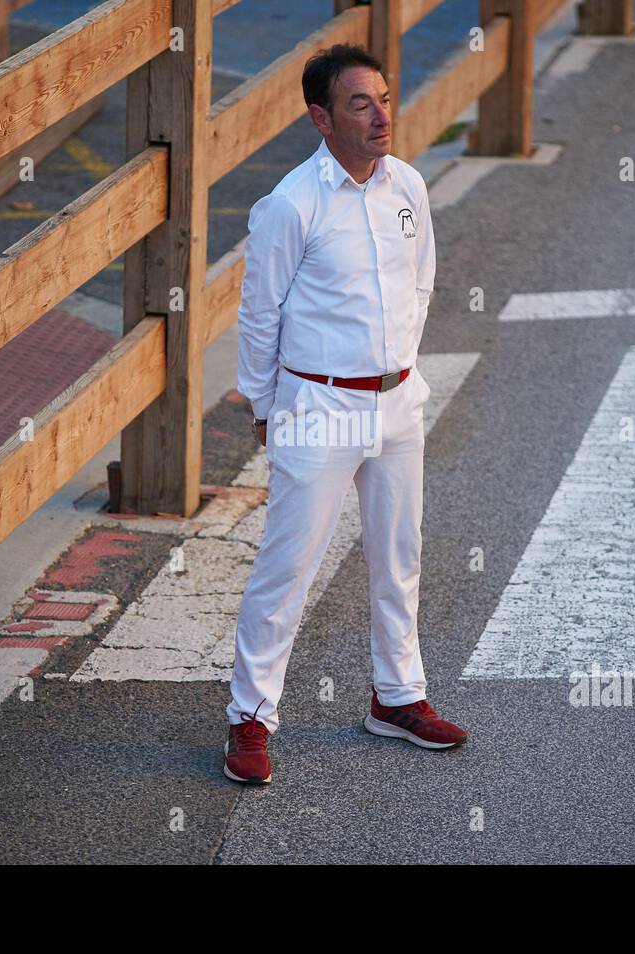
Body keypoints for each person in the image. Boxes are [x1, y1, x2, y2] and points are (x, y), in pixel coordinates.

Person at [224, 43, 467, 785]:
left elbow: (421, 282)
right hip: (318, 406)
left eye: (385, 99)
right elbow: (258, 315)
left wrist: (399, 373)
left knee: (400, 558)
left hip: (396, 404)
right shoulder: (291, 205)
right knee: (287, 568)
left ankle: (397, 698)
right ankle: (249, 719)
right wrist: (267, 407)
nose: (382, 115)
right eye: (361, 103)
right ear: (320, 118)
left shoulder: (408, 188)